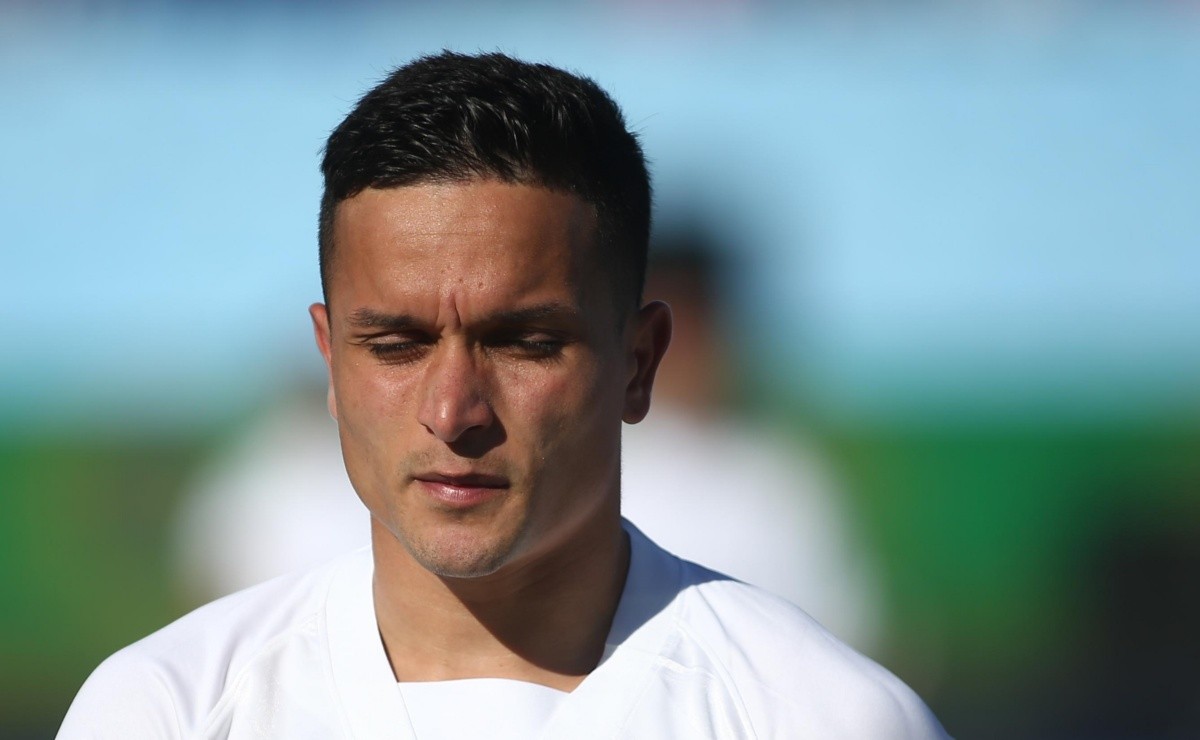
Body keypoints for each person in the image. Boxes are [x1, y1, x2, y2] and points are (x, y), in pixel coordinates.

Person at [58, 51, 949, 738]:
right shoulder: (165, 711)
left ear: (639, 363)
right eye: (396, 346)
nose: (454, 412)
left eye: (525, 343)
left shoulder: (820, 717)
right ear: (330, 362)